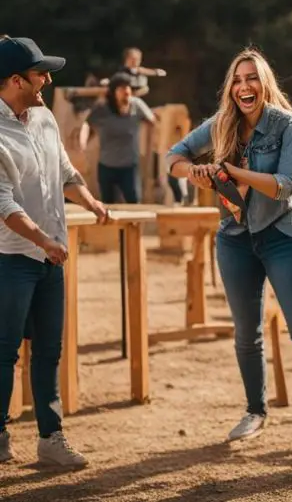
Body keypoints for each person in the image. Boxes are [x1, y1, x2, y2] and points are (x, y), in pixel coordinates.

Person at [166, 48, 292, 448]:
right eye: (237, 80)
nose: (243, 87)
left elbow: (285, 185)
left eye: (251, 78)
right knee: (246, 333)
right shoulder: (221, 124)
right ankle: (255, 411)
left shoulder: (286, 125)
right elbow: (173, 156)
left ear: (265, 83)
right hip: (235, 239)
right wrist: (196, 174)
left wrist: (229, 170)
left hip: (283, 236)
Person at [0, 36, 111, 467]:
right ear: (14, 80)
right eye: (40, 73)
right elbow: (4, 204)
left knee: (49, 351)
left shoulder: (44, 117)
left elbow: (64, 172)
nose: (47, 78)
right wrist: (42, 239)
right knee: (4, 351)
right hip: (11, 258)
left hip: (50, 257)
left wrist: (91, 201)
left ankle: (51, 439)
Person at [78, 72, 156, 204]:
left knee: (134, 202)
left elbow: (153, 121)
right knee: (108, 204)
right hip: (107, 165)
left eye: (128, 87)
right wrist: (82, 143)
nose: (126, 91)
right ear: (113, 92)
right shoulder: (102, 108)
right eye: (121, 88)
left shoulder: (137, 105)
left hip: (129, 166)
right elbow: (87, 124)